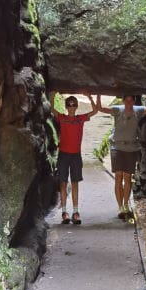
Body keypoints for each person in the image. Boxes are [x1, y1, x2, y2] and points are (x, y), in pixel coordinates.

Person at [95, 94, 146, 219]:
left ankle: (126, 205)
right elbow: (100, 109)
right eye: (127, 100)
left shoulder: (138, 110)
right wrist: (97, 95)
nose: (129, 102)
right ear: (123, 100)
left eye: (131, 100)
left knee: (127, 177)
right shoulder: (117, 109)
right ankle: (121, 207)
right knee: (119, 177)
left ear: (134, 101)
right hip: (117, 147)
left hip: (131, 148)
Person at [50, 92, 97, 225]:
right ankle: (64, 212)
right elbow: (52, 109)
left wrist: (91, 98)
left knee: (75, 182)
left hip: (76, 155)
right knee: (63, 183)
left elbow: (95, 111)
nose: (71, 107)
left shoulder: (80, 118)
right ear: (66, 107)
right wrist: (53, 96)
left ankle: (75, 212)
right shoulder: (62, 117)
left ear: (76, 107)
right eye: (69, 105)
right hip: (63, 154)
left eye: (73, 105)